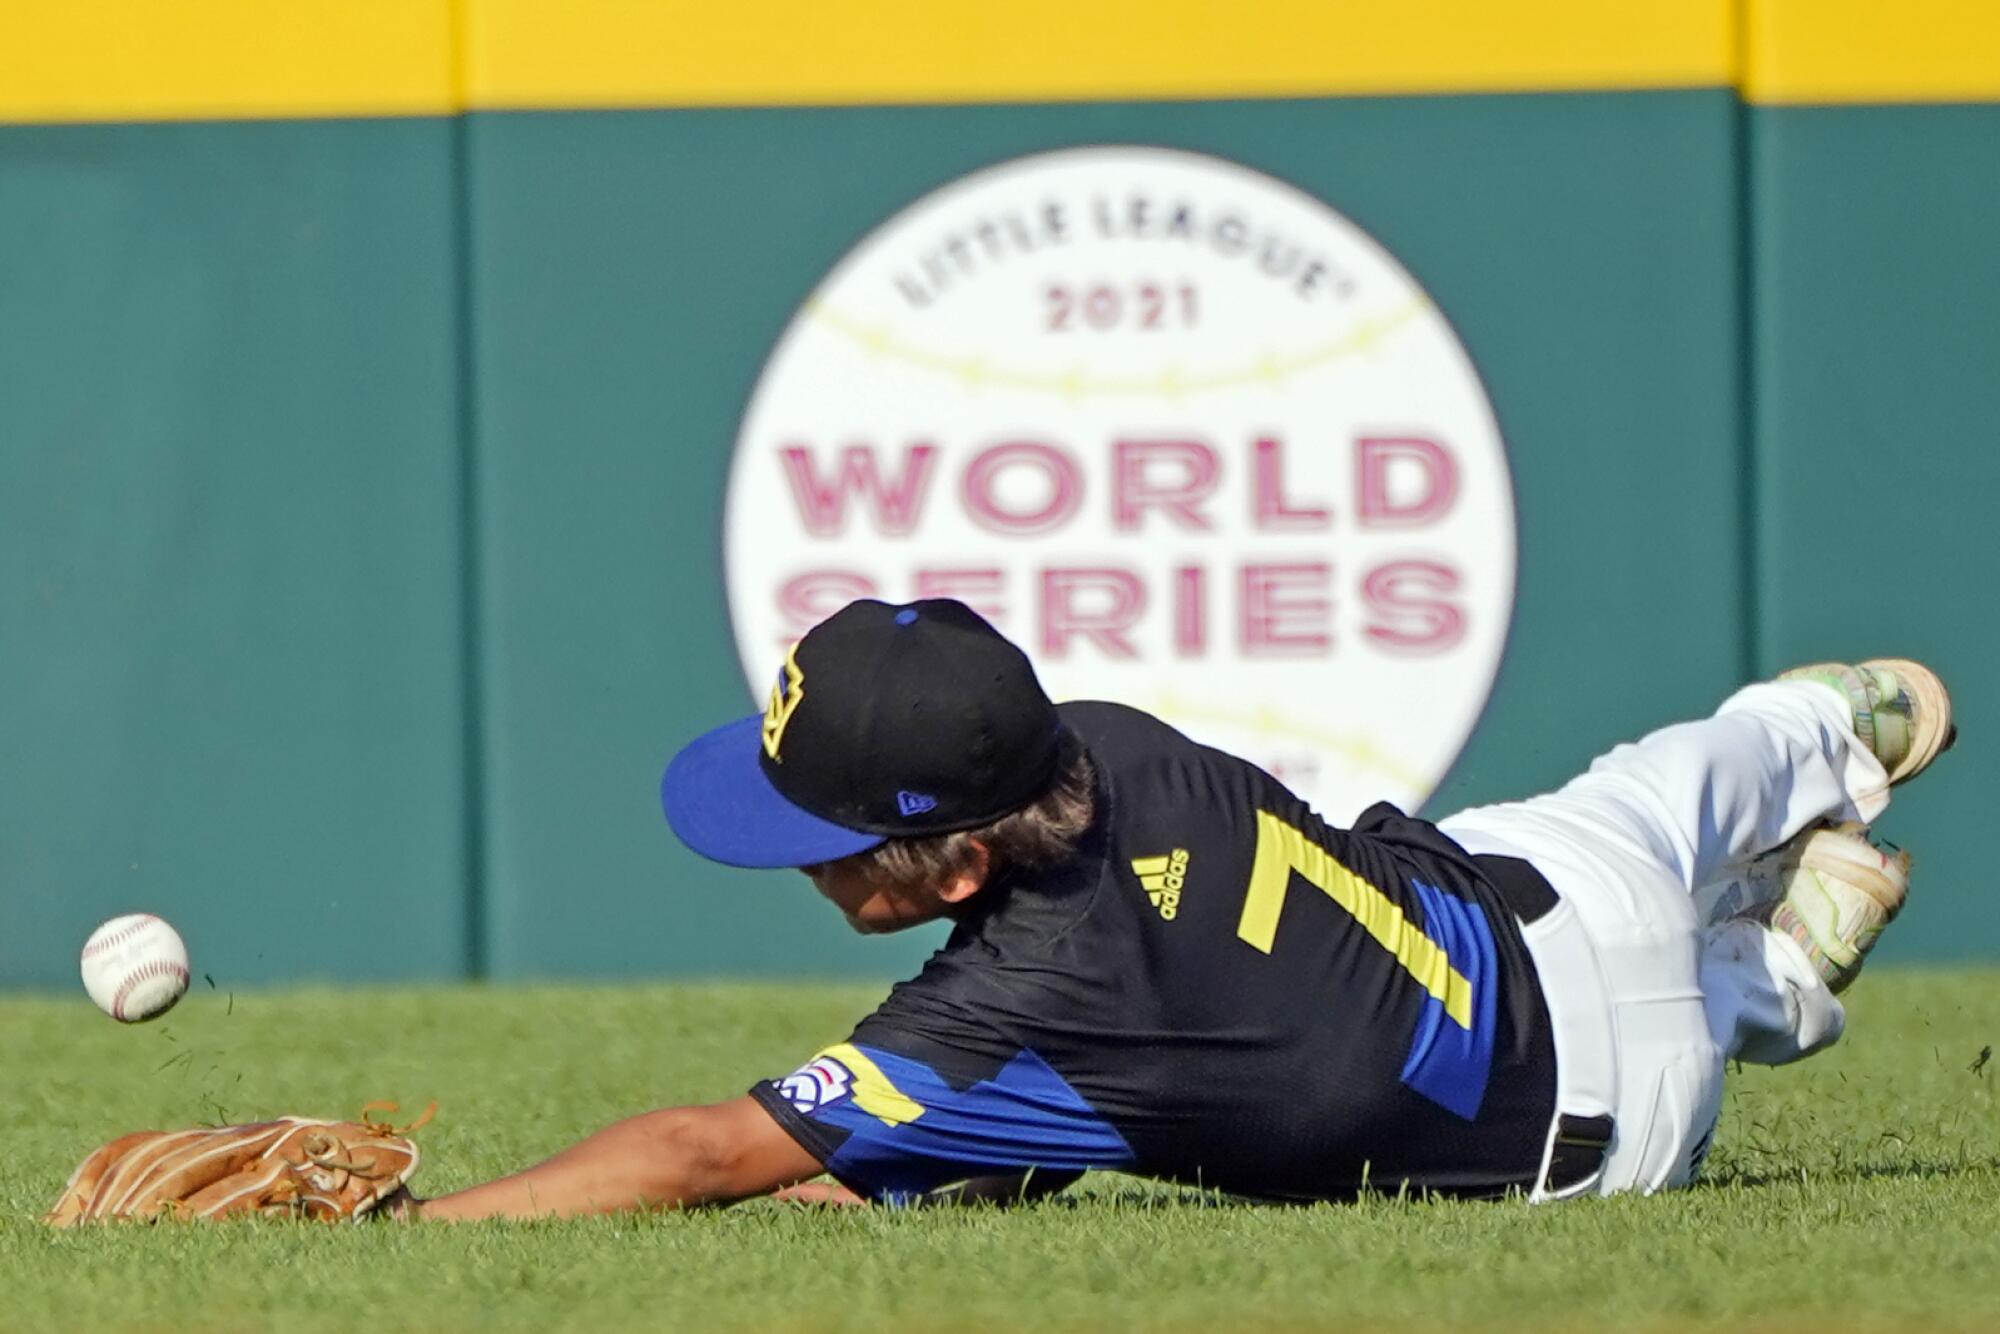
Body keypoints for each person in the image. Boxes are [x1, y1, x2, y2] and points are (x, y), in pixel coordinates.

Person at [406, 598, 1954, 1218]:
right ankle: (1822, 733)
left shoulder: (1020, 1004)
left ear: (954, 867)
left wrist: (418, 1235)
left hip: (1609, 1134)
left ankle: (1784, 975)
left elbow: (701, 1153)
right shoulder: (1104, 739)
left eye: (822, 838)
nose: (801, 864)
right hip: (1542, 896)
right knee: (1667, 781)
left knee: (1699, 992)